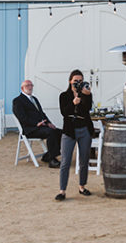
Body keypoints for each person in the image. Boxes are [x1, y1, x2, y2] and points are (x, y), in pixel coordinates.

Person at [56, 70, 94, 200]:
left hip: (84, 129)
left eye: (80, 80)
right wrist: (73, 103)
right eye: (75, 81)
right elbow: (64, 112)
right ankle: (62, 190)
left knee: (84, 160)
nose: (78, 83)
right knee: (65, 161)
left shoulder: (86, 93)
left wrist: (86, 96)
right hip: (69, 130)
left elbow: (88, 109)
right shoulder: (64, 95)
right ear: (70, 81)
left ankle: (82, 186)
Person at [12, 79, 62, 168]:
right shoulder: (17, 101)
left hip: (41, 127)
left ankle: (48, 155)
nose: (30, 87)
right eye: (27, 85)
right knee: (51, 133)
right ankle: (52, 160)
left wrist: (49, 123)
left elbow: (42, 113)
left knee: (60, 132)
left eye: (31, 85)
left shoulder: (34, 99)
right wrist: (36, 123)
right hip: (30, 129)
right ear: (22, 88)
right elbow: (22, 117)